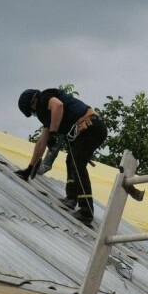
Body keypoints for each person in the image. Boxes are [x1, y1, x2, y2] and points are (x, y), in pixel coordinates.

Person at [15, 88, 107, 226]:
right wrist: (30, 167)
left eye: (33, 111)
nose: (36, 114)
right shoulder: (47, 114)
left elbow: (58, 105)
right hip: (88, 129)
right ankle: (71, 198)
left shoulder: (45, 97)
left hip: (90, 126)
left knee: (77, 163)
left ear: (33, 102)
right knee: (71, 160)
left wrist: (53, 132)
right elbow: (42, 141)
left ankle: (86, 210)